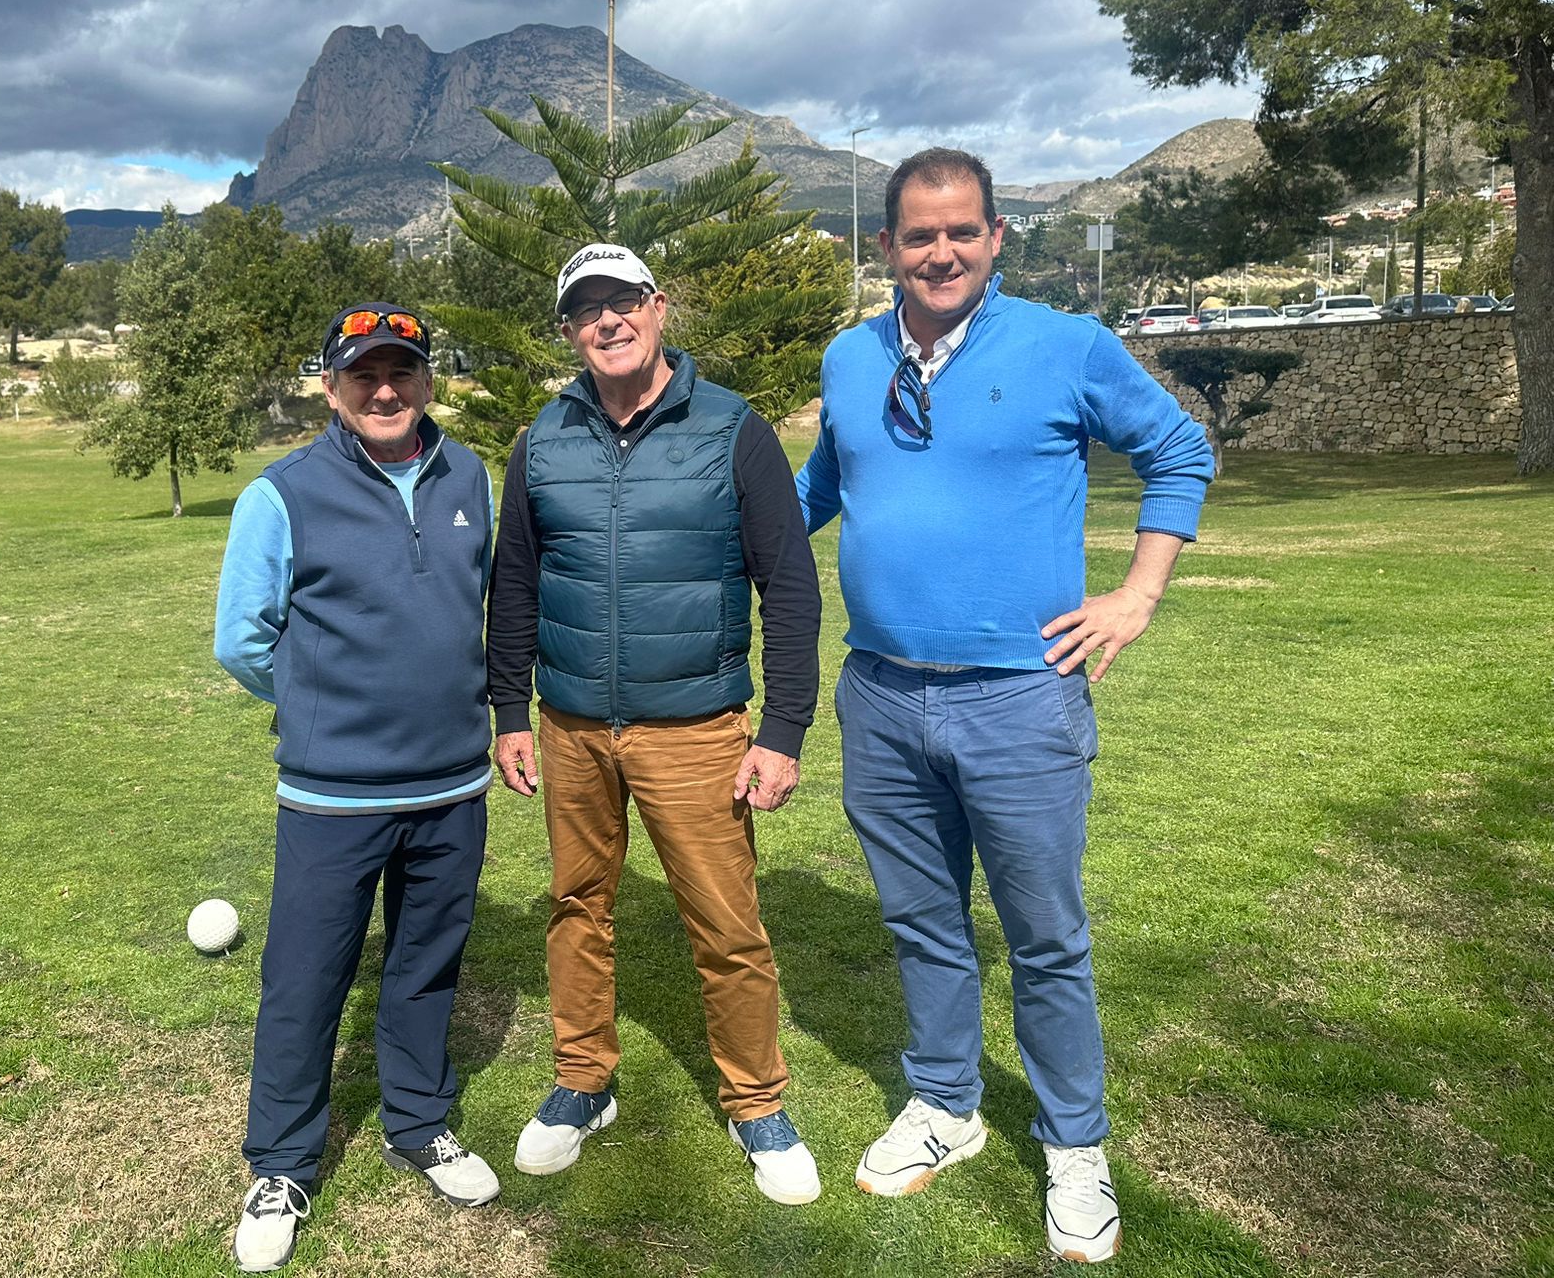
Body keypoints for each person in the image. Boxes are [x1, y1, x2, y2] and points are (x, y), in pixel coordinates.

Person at [796, 148, 1214, 1264]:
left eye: (960, 232)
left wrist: (1134, 595)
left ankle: (1074, 1146)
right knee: (919, 922)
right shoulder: (849, 356)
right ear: (883, 246)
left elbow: (1178, 449)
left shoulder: (1064, 346)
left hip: (1019, 701)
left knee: (1044, 939)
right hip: (879, 696)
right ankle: (944, 1105)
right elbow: (817, 496)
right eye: (917, 235)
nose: (939, 252)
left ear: (993, 239)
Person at [487, 242, 825, 1205]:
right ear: (569, 330)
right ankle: (583, 1082)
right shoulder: (541, 439)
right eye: (586, 309)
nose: (607, 320)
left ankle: (756, 1101)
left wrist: (783, 730)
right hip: (573, 725)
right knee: (575, 906)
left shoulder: (733, 430)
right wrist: (512, 711)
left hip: (697, 729)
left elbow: (789, 588)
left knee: (725, 922)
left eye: (623, 300)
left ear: (659, 306)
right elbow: (514, 586)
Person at [214, 304, 501, 1272]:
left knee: (425, 964)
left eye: (403, 372)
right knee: (303, 982)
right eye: (364, 375)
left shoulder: (469, 477)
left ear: (426, 380)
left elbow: (472, 607)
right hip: (332, 796)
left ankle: (417, 1121)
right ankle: (282, 1162)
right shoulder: (281, 494)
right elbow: (240, 639)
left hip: (452, 785)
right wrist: (313, 704)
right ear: (330, 386)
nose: (386, 391)